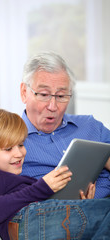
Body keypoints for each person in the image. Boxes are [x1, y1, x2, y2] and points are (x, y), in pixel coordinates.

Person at [0, 108, 110, 240]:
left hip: (44, 219)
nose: (19, 153)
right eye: (8, 148)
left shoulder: (24, 180)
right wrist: (42, 187)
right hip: (26, 220)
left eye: (21, 145)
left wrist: (81, 204)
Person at [20, 51, 110, 199]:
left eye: (61, 96)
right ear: (24, 92)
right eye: (43, 94)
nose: (53, 106)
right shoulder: (7, 139)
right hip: (55, 215)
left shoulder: (90, 126)